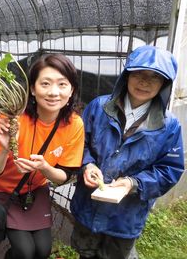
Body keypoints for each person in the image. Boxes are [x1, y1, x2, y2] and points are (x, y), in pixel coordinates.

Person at [70, 45, 185, 259]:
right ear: (127, 76)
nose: (144, 82)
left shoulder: (169, 126)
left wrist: (134, 183)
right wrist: (88, 164)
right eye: (139, 74)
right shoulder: (98, 107)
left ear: (164, 84)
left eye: (154, 77)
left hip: (125, 216)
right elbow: (79, 144)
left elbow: (169, 170)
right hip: (88, 205)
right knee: (85, 253)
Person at [0, 53, 85, 259]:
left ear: (71, 90)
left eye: (62, 84)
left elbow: (64, 175)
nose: (54, 92)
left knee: (43, 251)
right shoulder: (13, 118)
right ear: (32, 89)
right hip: (3, 191)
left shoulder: (74, 124)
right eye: (45, 83)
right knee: (25, 252)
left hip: (35, 189)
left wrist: (44, 167)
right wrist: (4, 149)